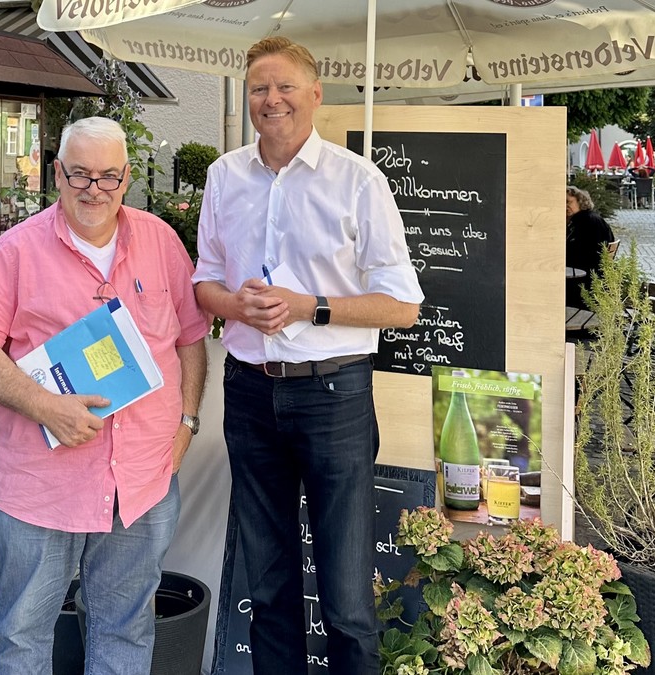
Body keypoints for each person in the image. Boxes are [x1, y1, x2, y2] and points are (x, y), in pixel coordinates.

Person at [0, 116, 210, 674]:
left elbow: (191, 339)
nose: (94, 189)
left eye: (108, 177)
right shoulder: (16, 251)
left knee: (127, 628)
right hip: (41, 484)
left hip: (142, 480)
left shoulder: (161, 241)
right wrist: (45, 406)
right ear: (57, 174)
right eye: (80, 175)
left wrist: (187, 424)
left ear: (127, 178)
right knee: (23, 634)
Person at [192, 37, 423, 675]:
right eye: (260, 87)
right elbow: (203, 282)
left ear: (316, 95)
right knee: (265, 587)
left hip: (334, 397)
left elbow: (402, 305)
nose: (271, 99)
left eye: (285, 86)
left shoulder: (358, 180)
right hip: (249, 391)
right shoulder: (224, 176)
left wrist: (309, 307)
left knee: (348, 597)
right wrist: (237, 307)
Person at [566, 185, 614, 310]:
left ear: (581, 202)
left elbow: (578, 253)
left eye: (568, 202)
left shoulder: (586, 222)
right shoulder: (586, 218)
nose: (564, 206)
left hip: (587, 281)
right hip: (595, 276)